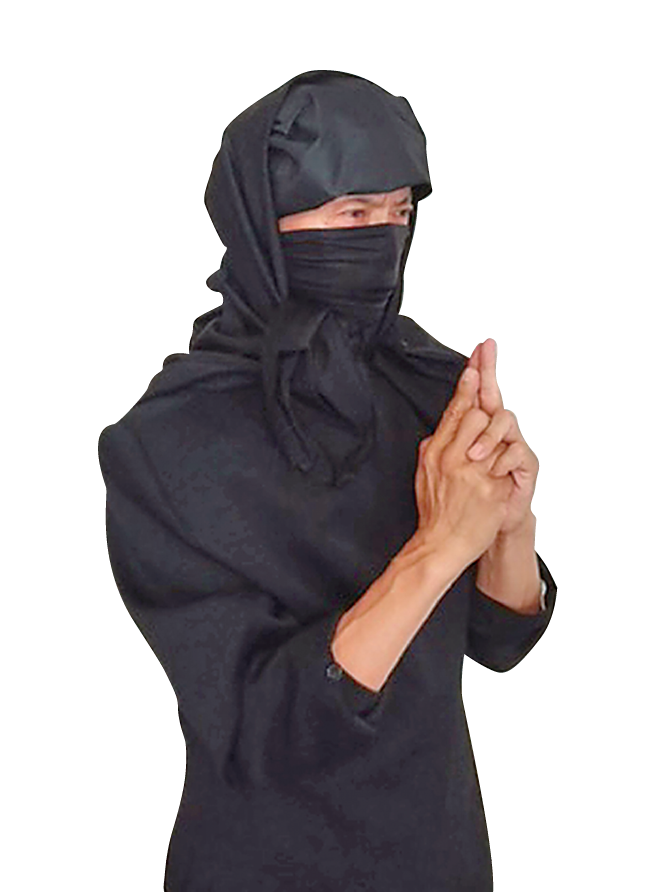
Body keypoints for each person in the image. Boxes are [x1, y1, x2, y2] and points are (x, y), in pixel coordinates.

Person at [98, 69, 557, 891]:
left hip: (436, 852)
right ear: (262, 223)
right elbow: (259, 733)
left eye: (399, 212)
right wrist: (437, 547)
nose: (381, 240)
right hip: (263, 864)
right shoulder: (167, 445)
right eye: (352, 213)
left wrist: (508, 526)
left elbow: (499, 641)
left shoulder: (423, 382)